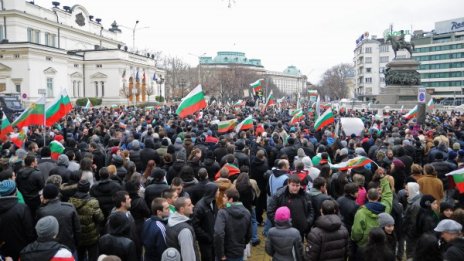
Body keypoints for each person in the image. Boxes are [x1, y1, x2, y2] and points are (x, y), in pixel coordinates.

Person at [351, 168, 393, 248]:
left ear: (367, 196)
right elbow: (388, 195)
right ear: (379, 196)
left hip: (366, 244)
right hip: (381, 243)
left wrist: (359, 241)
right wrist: (383, 178)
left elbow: (357, 232)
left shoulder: (361, 212)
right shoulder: (386, 208)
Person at [36, 184, 81, 255]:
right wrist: (76, 244)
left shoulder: (41, 211)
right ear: (57, 194)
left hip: (50, 249)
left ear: (44, 196)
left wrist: (42, 204)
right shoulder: (69, 207)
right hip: (69, 247)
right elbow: (77, 229)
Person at [268, 174, 314, 238]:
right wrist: (280, 225)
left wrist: (307, 223)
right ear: (288, 184)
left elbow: (311, 210)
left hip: (300, 231)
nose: (295, 188)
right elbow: (270, 212)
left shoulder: (305, 196)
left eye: (297, 185)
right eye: (293, 185)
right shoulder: (278, 195)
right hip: (284, 232)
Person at [69, 180, 105, 261]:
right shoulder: (93, 202)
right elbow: (100, 218)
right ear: (88, 189)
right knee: (93, 256)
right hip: (91, 236)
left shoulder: (70, 201)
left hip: (78, 235)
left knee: (80, 256)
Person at [0, 180, 35, 261]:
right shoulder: (22, 208)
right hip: (22, 250)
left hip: (4, 253)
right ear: (15, 192)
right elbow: (30, 232)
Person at [214, 188, 251, 261]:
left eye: (224, 197)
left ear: (230, 199)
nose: (222, 198)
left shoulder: (222, 213)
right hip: (239, 253)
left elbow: (218, 233)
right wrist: (242, 245)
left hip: (225, 254)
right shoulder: (247, 212)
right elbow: (249, 234)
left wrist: (220, 254)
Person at [165, 197, 199, 261]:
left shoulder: (171, 221)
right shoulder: (184, 230)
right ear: (182, 209)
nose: (193, 206)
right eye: (189, 205)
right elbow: (188, 256)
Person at [191, 183, 218, 261]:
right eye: (217, 191)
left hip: (213, 240)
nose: (219, 192)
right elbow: (195, 226)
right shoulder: (199, 207)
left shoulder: (213, 202)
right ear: (212, 192)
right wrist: (207, 237)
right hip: (206, 242)